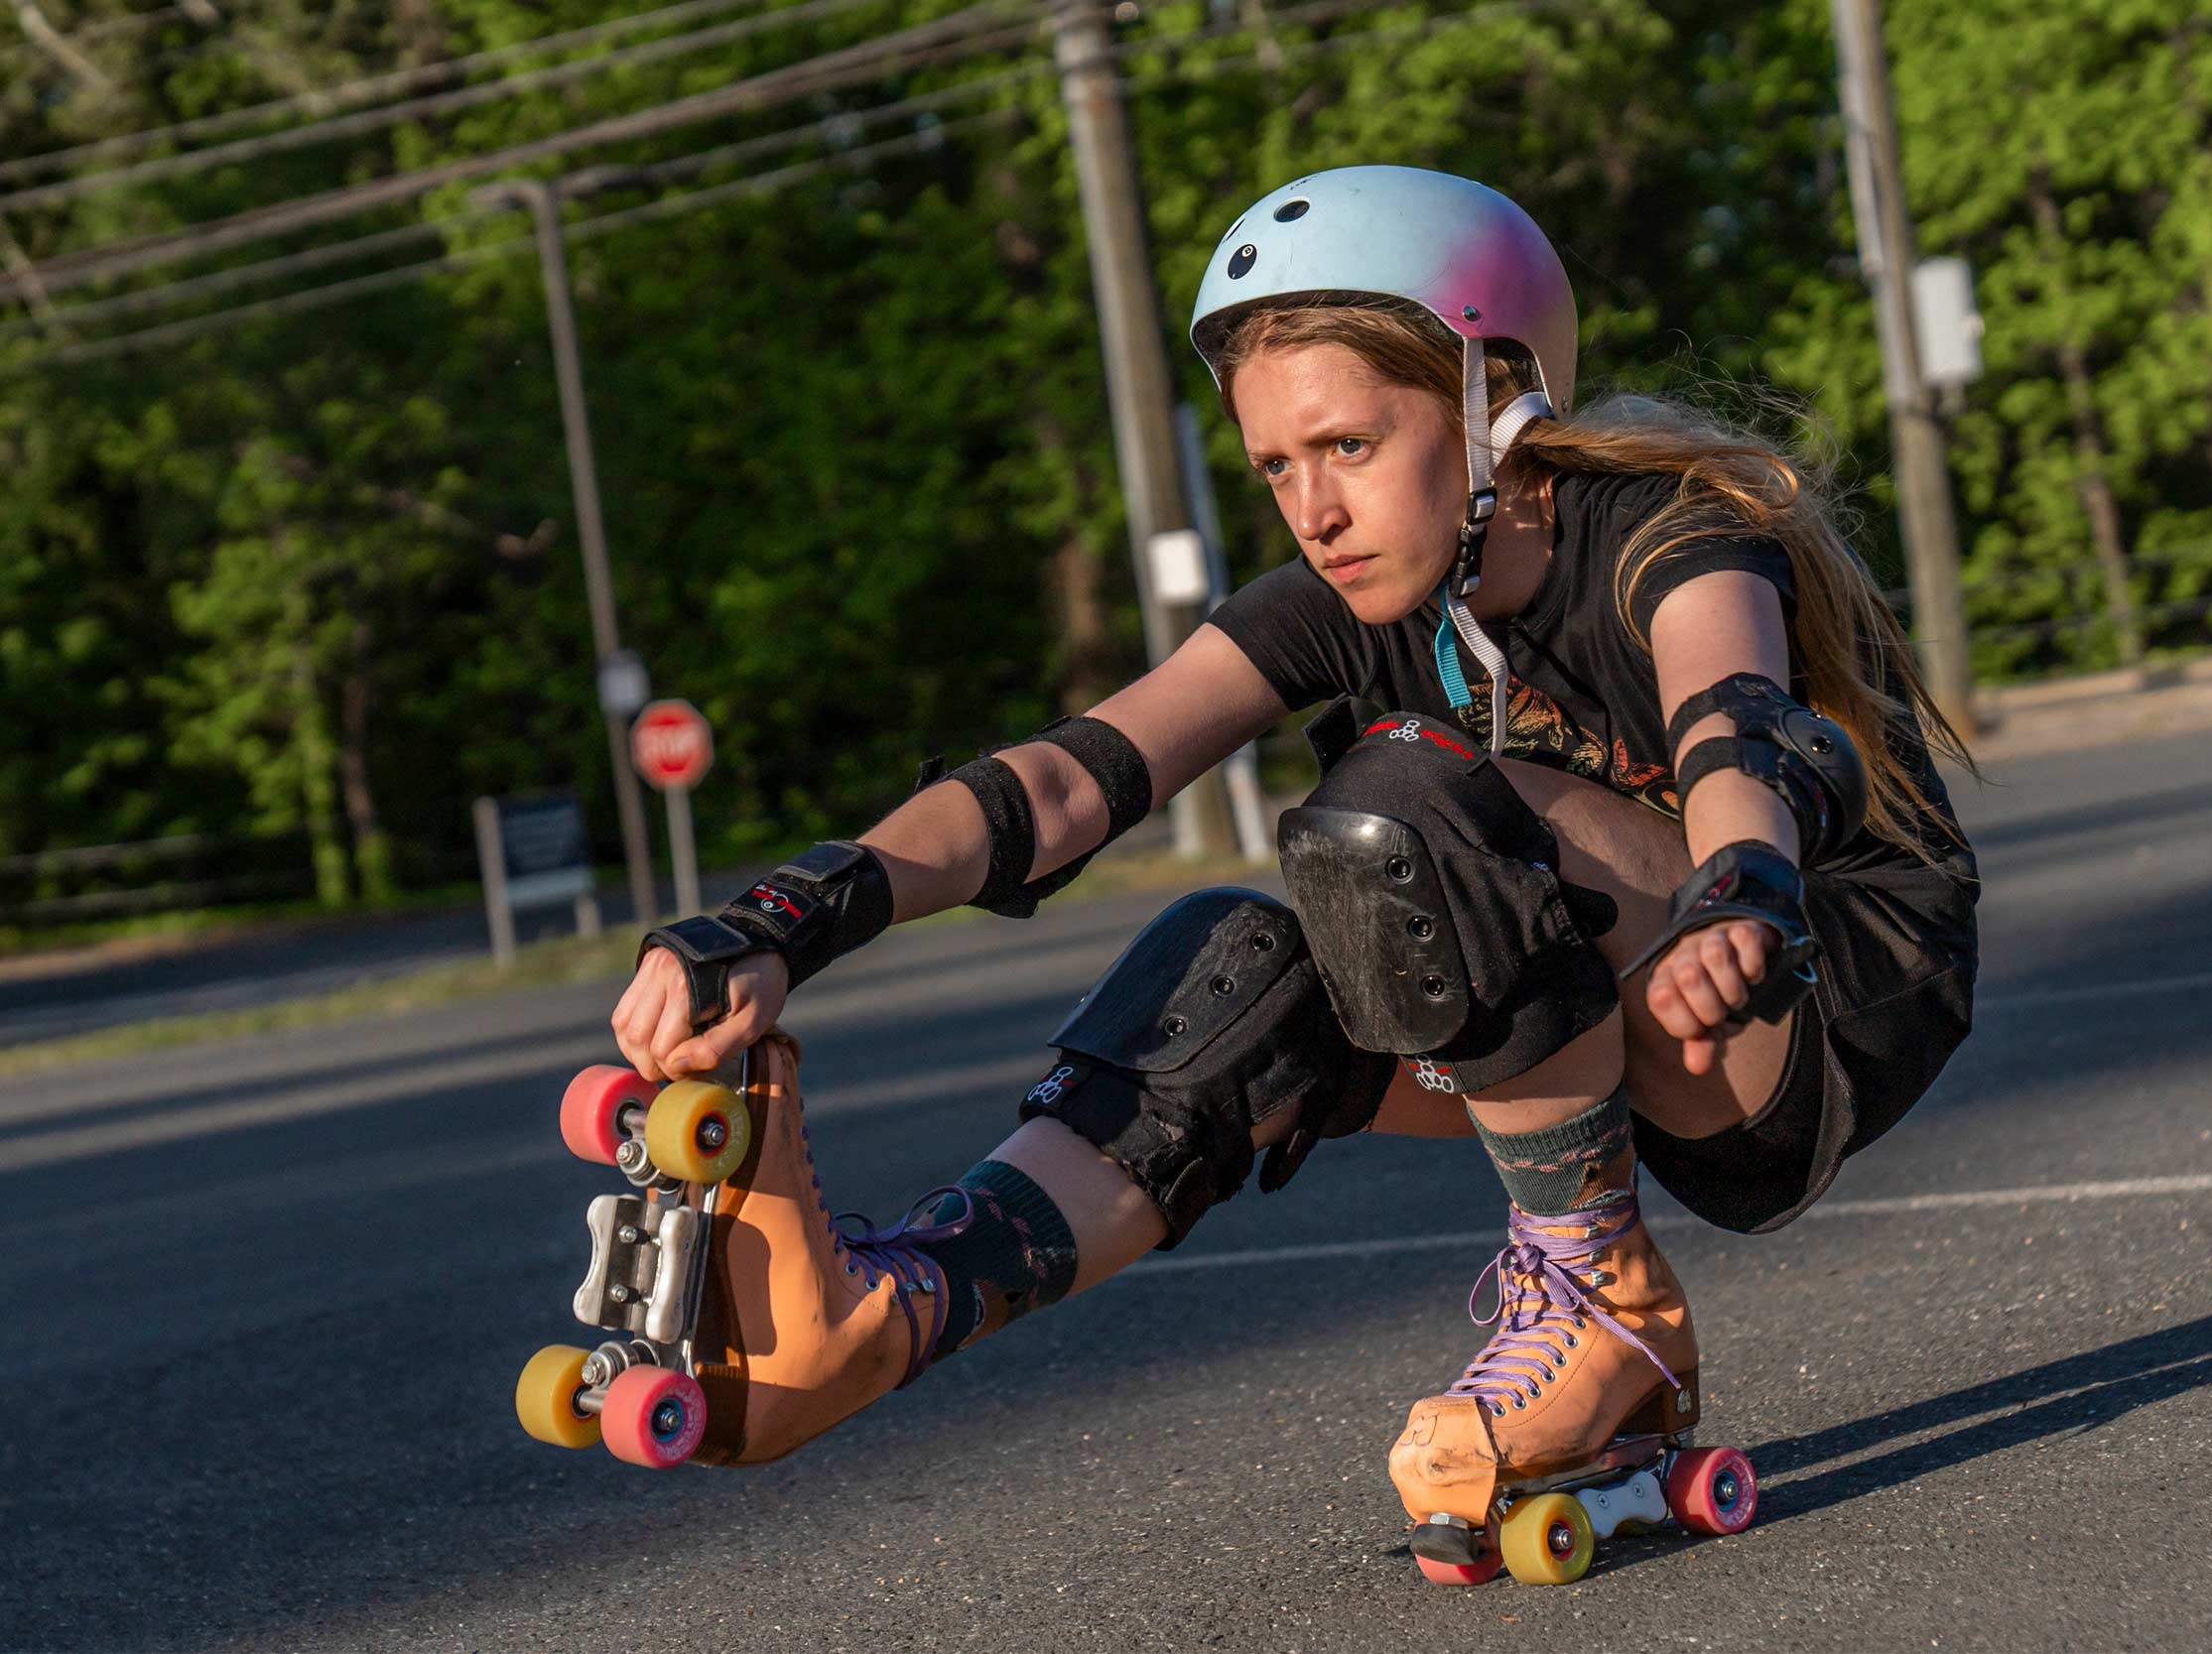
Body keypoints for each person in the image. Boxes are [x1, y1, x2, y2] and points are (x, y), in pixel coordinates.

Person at [605, 165, 1978, 1574]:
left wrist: (1741, 889)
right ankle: (877, 1317)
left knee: (1397, 804)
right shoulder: (1354, 592)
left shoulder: (1668, 537)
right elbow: (1074, 778)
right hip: (1625, 987)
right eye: (1277, 468)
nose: (1313, 510)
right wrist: (783, 917)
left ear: (1496, 391)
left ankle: (1598, 1295)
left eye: (1349, 446)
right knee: (1234, 972)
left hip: (1811, 993)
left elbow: (1731, 724)